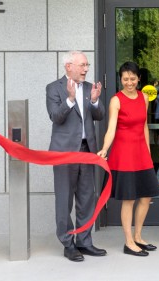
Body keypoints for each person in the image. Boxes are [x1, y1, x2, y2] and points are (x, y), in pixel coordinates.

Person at [46, 51, 107, 262]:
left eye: (87, 65)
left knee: (86, 198)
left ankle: (84, 241)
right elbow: (55, 117)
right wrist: (71, 99)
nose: (86, 69)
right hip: (64, 152)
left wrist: (96, 102)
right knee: (64, 200)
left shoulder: (91, 88)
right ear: (68, 66)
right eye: (82, 65)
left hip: (86, 150)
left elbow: (99, 116)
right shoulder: (54, 88)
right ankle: (67, 242)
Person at [97, 61, 159, 257]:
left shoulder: (144, 98)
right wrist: (104, 149)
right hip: (123, 153)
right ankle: (128, 241)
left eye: (133, 78)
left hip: (142, 152)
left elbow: (144, 126)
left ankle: (139, 236)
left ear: (139, 78)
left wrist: (148, 152)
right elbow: (111, 129)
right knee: (129, 199)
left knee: (146, 195)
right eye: (125, 79)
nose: (129, 82)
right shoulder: (116, 100)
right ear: (121, 79)